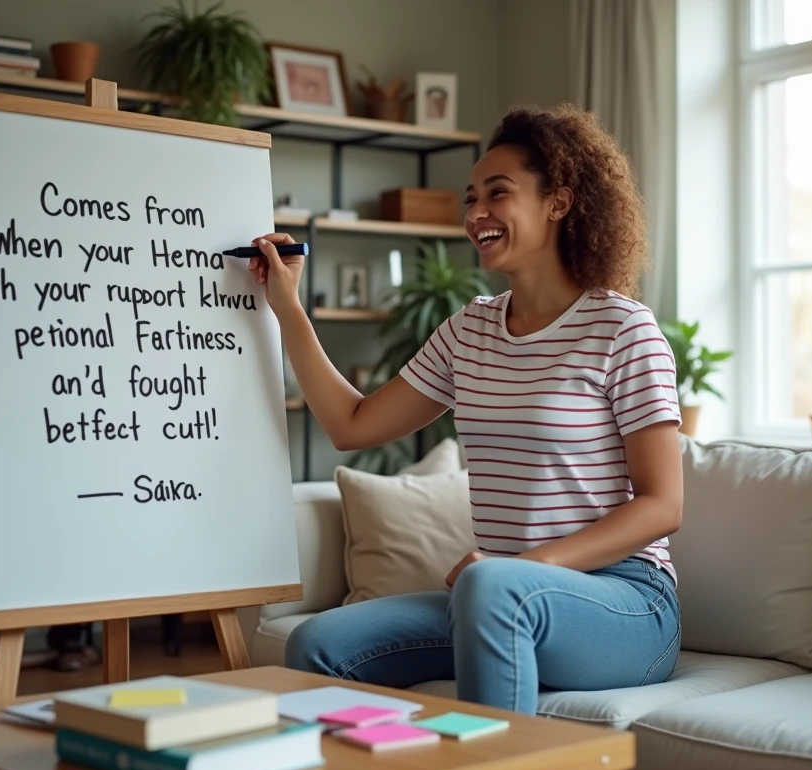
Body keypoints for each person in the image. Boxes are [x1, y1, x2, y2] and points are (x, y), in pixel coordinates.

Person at [247, 103, 684, 715]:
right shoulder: (470, 331)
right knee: (319, 644)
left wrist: (516, 568)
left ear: (558, 202)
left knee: (491, 584)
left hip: (627, 605)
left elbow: (663, 506)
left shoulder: (621, 328)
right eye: (470, 198)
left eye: (498, 194)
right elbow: (352, 426)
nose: (476, 214)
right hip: (499, 596)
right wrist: (287, 308)